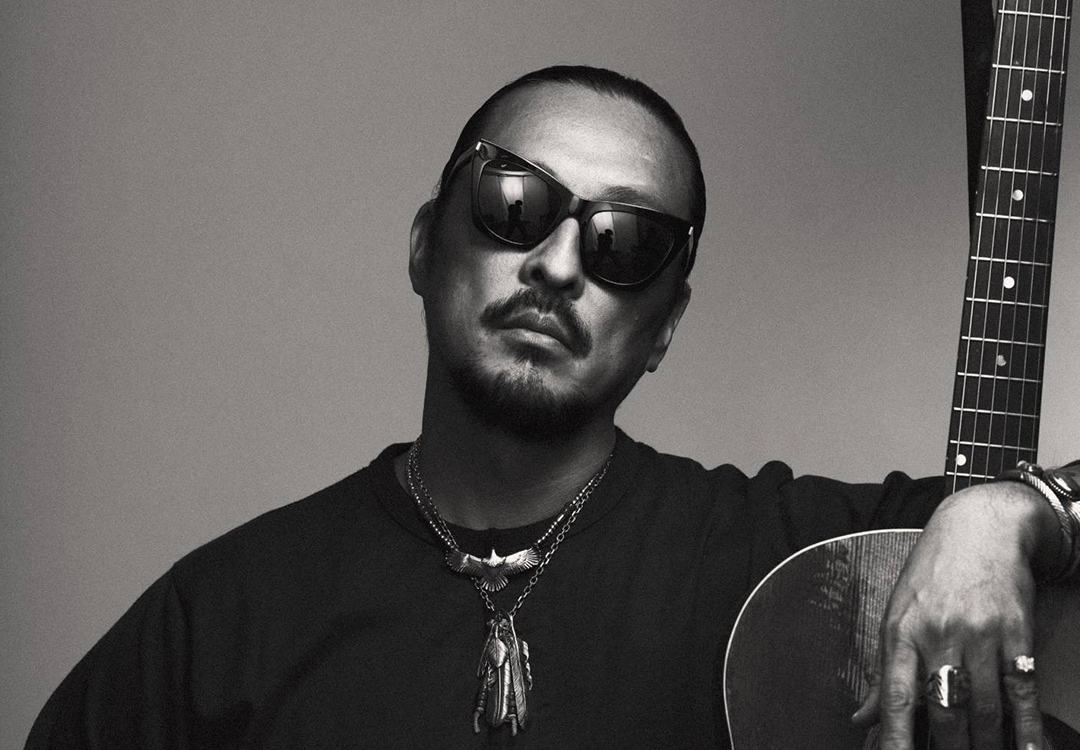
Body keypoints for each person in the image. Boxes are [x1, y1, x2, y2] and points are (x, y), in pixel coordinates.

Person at [25, 65, 1079, 750]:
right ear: (425, 245)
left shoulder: (807, 578)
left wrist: (1017, 511)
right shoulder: (220, 619)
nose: (559, 265)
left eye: (625, 243)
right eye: (514, 203)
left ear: (663, 327)